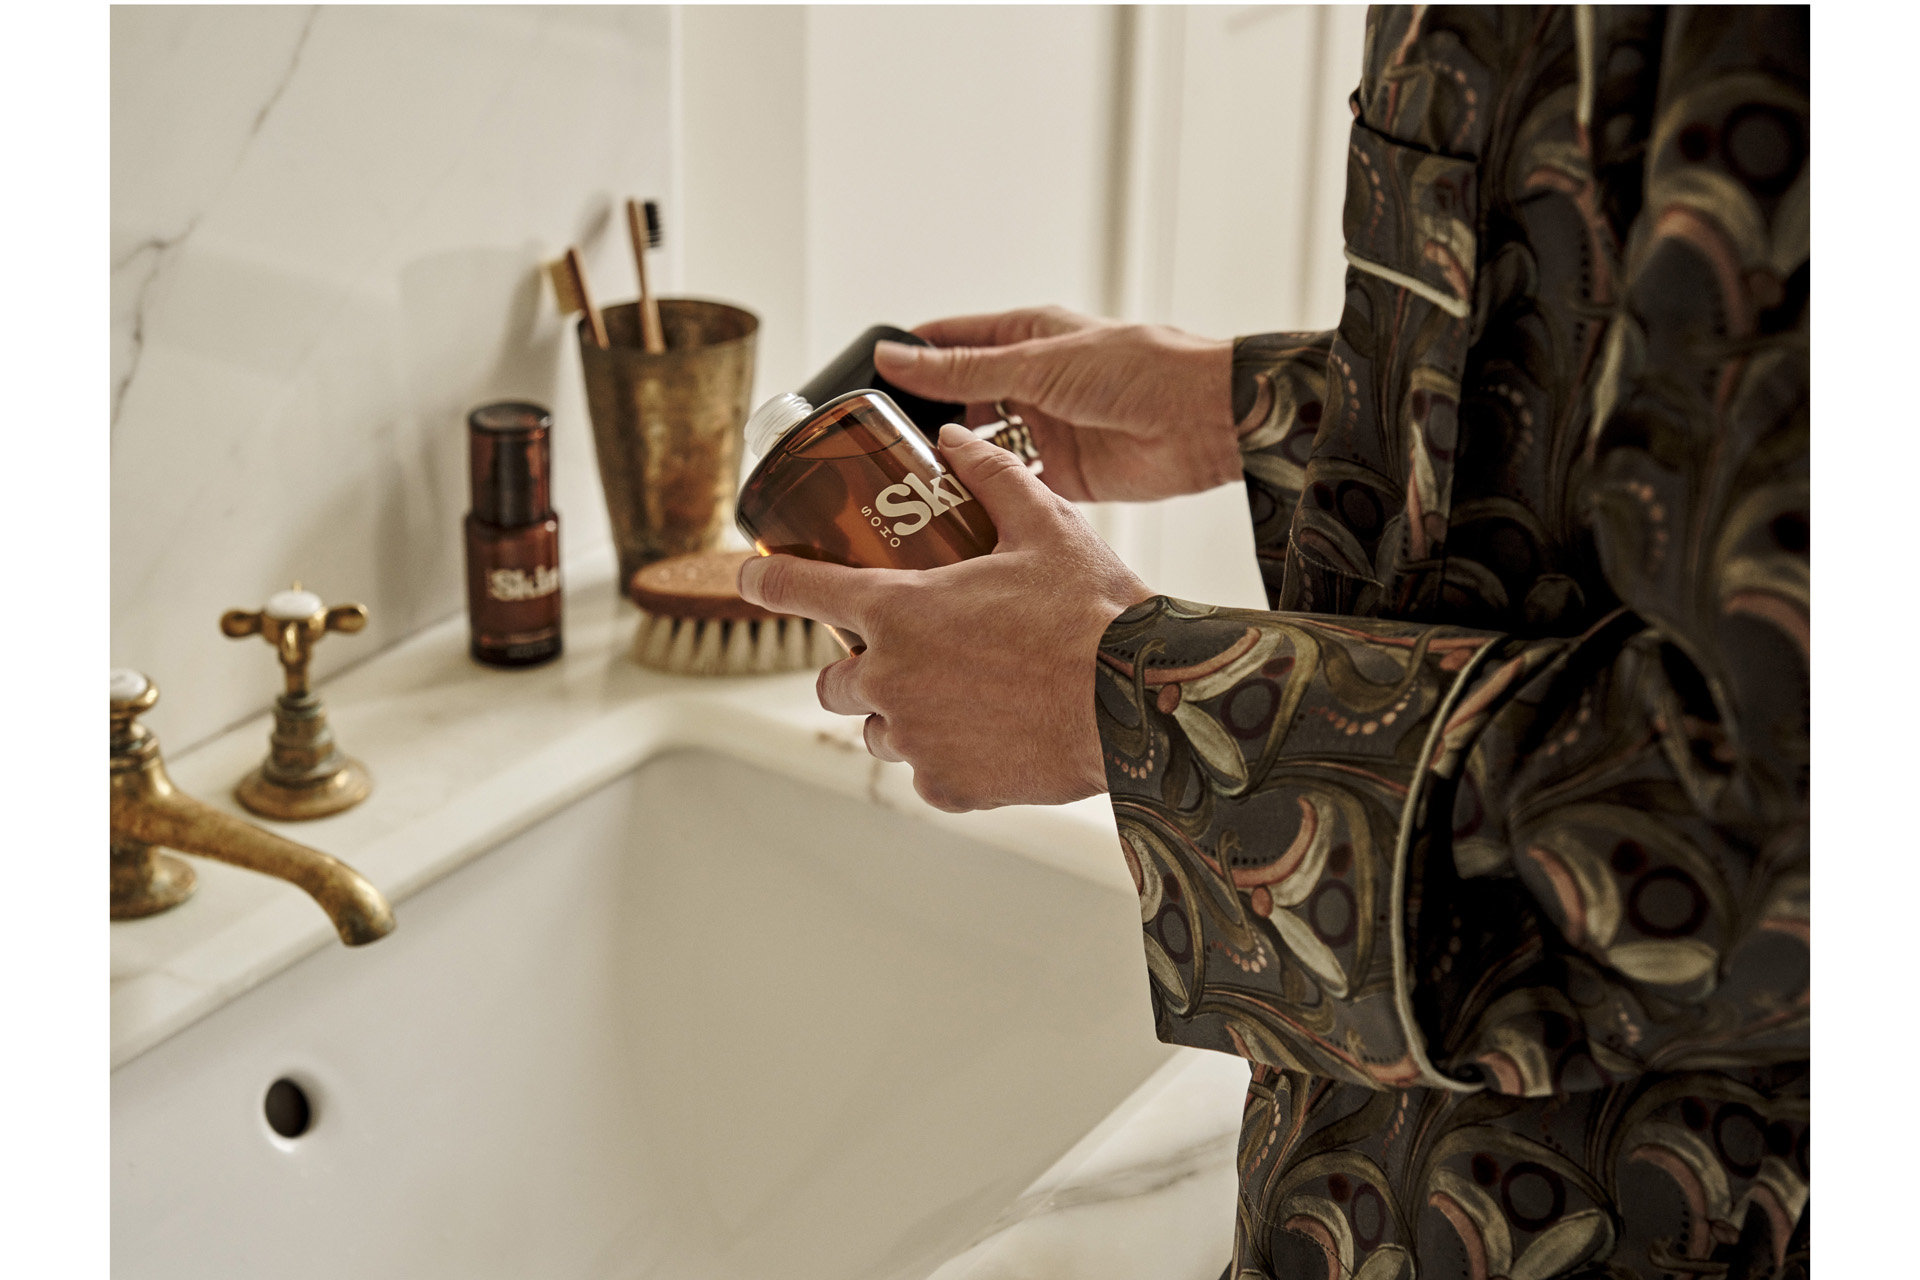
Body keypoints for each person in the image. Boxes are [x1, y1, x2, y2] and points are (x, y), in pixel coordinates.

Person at [740, 7, 1808, 1277]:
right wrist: (1244, 404)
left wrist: (1133, 700)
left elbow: (1790, 820)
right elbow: (1600, 401)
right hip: (1380, 1173)